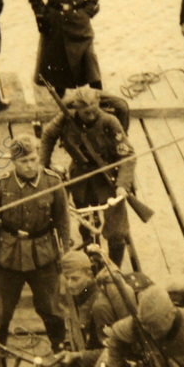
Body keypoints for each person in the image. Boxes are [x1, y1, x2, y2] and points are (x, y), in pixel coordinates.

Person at [0, 134, 69, 367]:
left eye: (33, 159)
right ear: (13, 162)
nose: (30, 165)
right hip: (9, 255)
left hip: (44, 254)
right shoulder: (0, 185)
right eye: (24, 161)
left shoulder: (52, 182)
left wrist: (65, 255)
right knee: (3, 307)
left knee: (50, 305)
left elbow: (62, 220)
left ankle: (59, 346)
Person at [39, 86, 134, 267]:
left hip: (109, 178)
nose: (90, 116)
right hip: (81, 177)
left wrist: (122, 185)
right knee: (86, 222)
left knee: (116, 231)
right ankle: (93, 258)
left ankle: (114, 270)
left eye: (93, 111)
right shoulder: (66, 118)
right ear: (76, 109)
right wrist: (42, 167)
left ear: (97, 105)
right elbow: (48, 136)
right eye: (85, 113)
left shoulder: (110, 122)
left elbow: (128, 155)